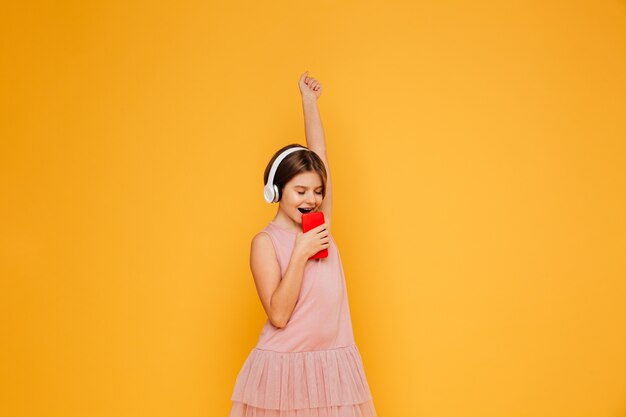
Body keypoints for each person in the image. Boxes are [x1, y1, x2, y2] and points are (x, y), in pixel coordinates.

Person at [228, 71, 377, 417]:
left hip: (331, 367)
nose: (312, 199)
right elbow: (278, 315)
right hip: (286, 369)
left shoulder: (320, 223)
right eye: (300, 191)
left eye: (318, 191)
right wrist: (300, 254)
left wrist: (309, 102)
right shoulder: (265, 243)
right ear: (276, 191)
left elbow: (319, 152)